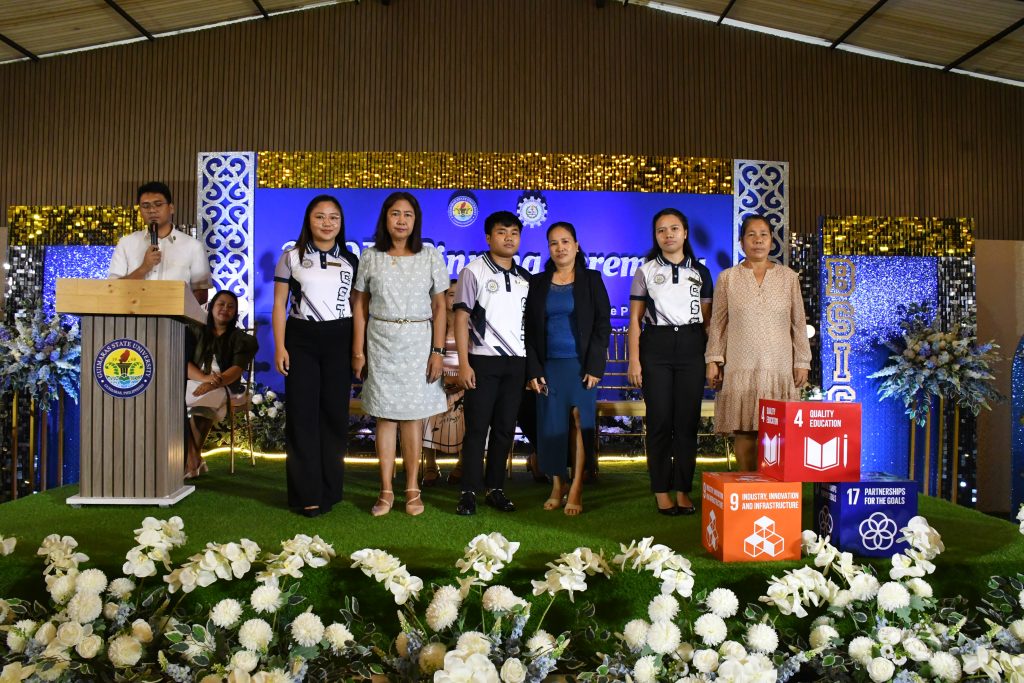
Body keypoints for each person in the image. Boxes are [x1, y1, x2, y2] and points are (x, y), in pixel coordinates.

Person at [352, 191, 448, 517]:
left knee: (412, 416)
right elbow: (360, 306)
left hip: (419, 341)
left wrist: (438, 351)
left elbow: (440, 305)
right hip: (380, 341)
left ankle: (412, 488)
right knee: (385, 416)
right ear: (385, 218)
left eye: (408, 214)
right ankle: (385, 490)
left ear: (416, 220)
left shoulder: (430, 255)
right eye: (396, 214)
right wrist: (358, 351)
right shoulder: (370, 256)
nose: (402, 220)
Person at [272, 194, 358, 518]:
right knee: (302, 416)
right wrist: (280, 346)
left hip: (340, 338)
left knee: (335, 416)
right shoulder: (291, 257)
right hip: (301, 339)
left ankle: (330, 490)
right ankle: (306, 494)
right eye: (320, 216)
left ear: (341, 223)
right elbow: (279, 304)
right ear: (309, 220)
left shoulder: (351, 260)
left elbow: (358, 308)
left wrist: (358, 351)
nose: (326, 223)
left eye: (333, 217)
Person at [705, 214, 811, 470]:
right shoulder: (728, 278)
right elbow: (718, 323)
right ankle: (747, 484)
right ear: (741, 242)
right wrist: (713, 360)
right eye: (751, 235)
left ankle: (774, 488)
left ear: (772, 241)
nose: (758, 240)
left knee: (777, 431)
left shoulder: (788, 277)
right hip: (741, 367)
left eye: (763, 234)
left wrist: (802, 361)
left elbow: (798, 322)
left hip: (779, 367)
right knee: (744, 431)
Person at [627, 208, 713, 516]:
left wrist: (713, 359)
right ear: (655, 236)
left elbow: (708, 323)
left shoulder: (701, 272)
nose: (668, 235)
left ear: (685, 233)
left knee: (687, 423)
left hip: (692, 348)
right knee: (660, 421)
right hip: (656, 348)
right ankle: (662, 490)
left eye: (674, 228)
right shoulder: (645, 271)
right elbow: (635, 321)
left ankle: (683, 490)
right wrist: (634, 360)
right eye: (661, 230)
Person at [525, 222, 610, 516]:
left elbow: (602, 325)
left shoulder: (592, 279)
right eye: (553, 243)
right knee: (552, 424)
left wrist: (595, 365)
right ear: (548, 248)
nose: (560, 248)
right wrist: (533, 369)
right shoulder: (538, 283)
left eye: (565, 241)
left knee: (579, 420)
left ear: (576, 245)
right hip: (549, 365)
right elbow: (529, 330)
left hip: (582, 366)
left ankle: (577, 486)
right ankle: (557, 484)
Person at [452, 210, 531, 516]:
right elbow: (461, 319)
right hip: (482, 362)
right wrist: (464, 364)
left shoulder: (525, 278)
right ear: (488, 237)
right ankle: (468, 491)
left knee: (504, 429)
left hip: (516, 364)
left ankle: (495, 488)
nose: (508, 238)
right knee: (477, 430)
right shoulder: (473, 271)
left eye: (514, 233)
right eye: (501, 232)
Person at [184, 290, 258, 478]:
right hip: (194, 380)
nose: (225, 309)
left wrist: (213, 383)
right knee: (172, 403)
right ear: (211, 307)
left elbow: (236, 370)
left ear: (235, 312)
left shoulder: (241, 339)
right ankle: (194, 460)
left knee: (206, 400)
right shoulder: (194, 331)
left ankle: (190, 461)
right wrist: (205, 379)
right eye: (221, 304)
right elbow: (184, 363)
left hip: (223, 384)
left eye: (231, 306)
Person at [108, 181, 212, 304]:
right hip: (133, 314)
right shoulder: (126, 244)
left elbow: (201, 294)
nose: (152, 210)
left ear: (171, 208)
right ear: (140, 210)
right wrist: (144, 268)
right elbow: (112, 289)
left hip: (175, 315)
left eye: (158, 204)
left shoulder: (193, 247)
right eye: (145, 206)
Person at [421, 281, 465, 486]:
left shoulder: (472, 324)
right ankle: (431, 465)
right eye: (451, 295)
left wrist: (460, 380)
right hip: (436, 379)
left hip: (464, 381)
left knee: (473, 408)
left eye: (459, 294)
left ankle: (462, 464)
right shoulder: (431, 324)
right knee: (424, 413)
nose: (455, 299)